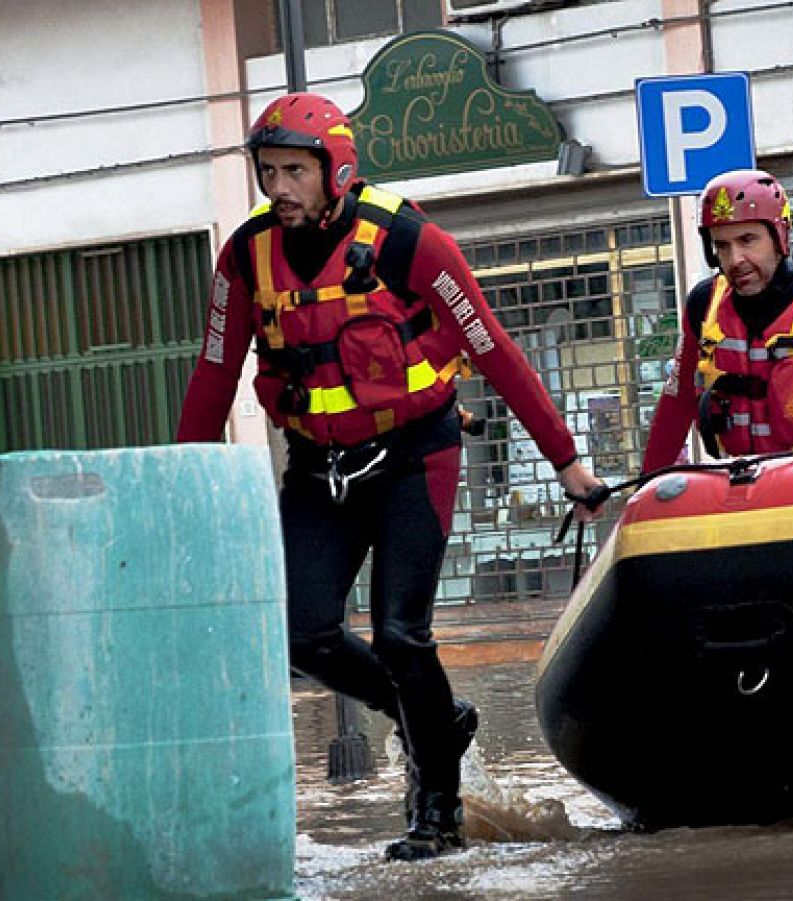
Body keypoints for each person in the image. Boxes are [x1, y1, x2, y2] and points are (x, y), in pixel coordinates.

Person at [177, 92, 605, 859]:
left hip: (415, 454)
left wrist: (566, 459)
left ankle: (435, 810)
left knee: (402, 636)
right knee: (304, 633)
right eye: (268, 171)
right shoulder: (245, 255)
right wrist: (185, 483)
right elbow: (214, 370)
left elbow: (495, 350)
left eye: (295, 172)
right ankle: (433, 721)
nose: (280, 188)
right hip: (319, 468)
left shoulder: (410, 241)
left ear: (335, 170)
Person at [642, 168, 793, 472]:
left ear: (779, 236)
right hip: (740, 489)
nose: (735, 259)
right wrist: (646, 485)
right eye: (722, 245)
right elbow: (677, 403)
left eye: (747, 240)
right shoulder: (703, 305)